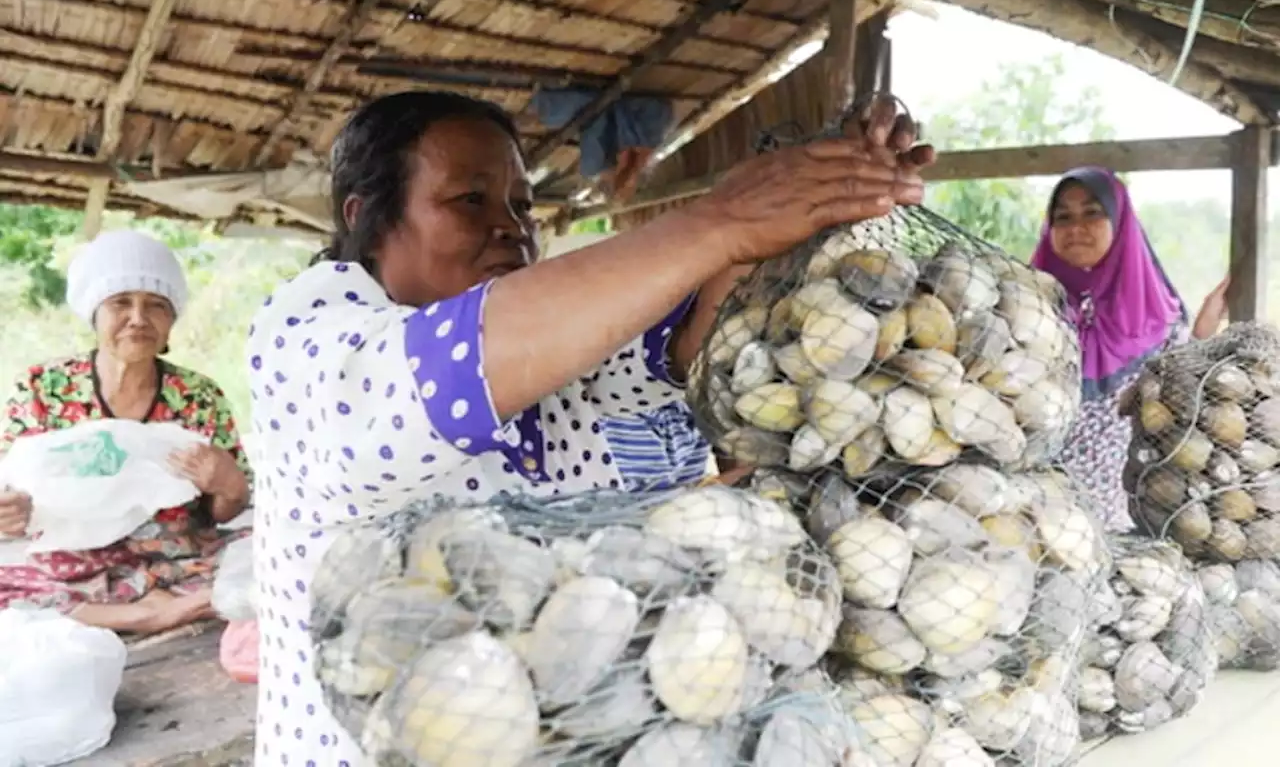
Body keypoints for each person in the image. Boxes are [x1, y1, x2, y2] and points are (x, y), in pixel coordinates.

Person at [246, 89, 932, 764]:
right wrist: (722, 218)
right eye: (470, 199)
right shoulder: (312, 331)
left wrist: (832, 178)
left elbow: (697, 333)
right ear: (367, 217)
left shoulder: (560, 348)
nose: (512, 225)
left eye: (522, 203)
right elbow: (452, 364)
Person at [0, 230, 253, 634]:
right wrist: (11, 512)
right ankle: (149, 614)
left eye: (156, 305)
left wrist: (229, 485)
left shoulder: (199, 396)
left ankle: (153, 605)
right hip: (75, 560)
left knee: (271, 553)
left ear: (171, 320)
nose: (138, 318)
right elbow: (10, 495)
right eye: (121, 302)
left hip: (175, 555)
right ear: (94, 313)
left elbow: (223, 511)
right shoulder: (41, 387)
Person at [1031, 166, 1230, 531]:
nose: (1076, 228)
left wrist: (1204, 330)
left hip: (1118, 519)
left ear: (1119, 221)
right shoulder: (1028, 303)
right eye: (1063, 217)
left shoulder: (1155, 314)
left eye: (1093, 212)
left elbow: (1179, 393)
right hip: (1033, 511)